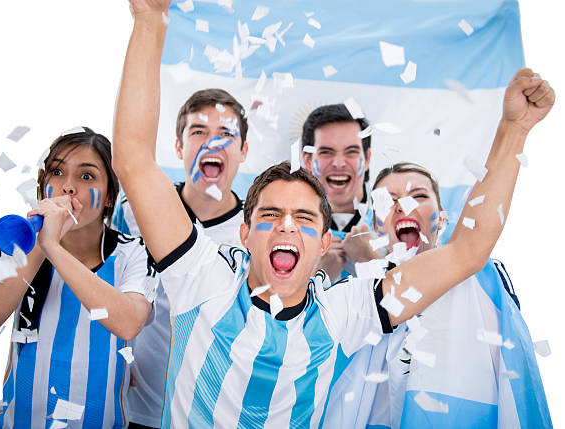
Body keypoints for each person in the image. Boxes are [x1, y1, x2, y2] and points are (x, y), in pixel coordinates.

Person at [113, 1, 554, 427]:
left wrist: (513, 130)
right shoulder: (200, 277)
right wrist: (150, 19)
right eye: (271, 213)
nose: (287, 224)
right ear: (244, 234)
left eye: (304, 219)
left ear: (326, 242)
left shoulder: (345, 312)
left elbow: (467, 251)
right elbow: (133, 157)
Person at [325, 162, 553, 428]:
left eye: (419, 196)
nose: (402, 206)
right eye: (389, 200)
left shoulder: (479, 279)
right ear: (377, 222)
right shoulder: (348, 292)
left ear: (442, 218)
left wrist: (368, 259)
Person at [0, 127, 157, 428]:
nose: (68, 187)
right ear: (43, 185)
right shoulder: (21, 246)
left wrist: (52, 246)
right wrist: (39, 245)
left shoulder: (133, 253)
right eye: (57, 172)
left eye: (86, 176)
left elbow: (129, 322)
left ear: (109, 198)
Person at [113, 88, 248, 429]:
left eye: (226, 134)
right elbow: (103, 284)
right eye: (198, 132)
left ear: (244, 151)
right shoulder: (132, 212)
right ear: (179, 147)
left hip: (213, 417)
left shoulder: (256, 232)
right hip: (136, 410)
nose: (212, 143)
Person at [302, 104, 380, 280]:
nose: (338, 163)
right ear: (308, 160)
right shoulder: (285, 230)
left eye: (351, 152)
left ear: (367, 159)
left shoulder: (396, 224)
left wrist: (371, 263)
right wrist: (317, 278)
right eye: (326, 152)